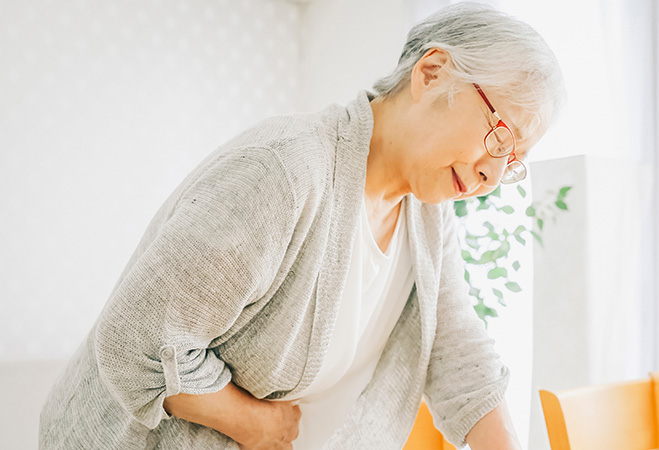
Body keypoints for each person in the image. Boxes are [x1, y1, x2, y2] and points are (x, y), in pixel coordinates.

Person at [39, 2, 566, 449]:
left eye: (513, 160)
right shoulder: (287, 170)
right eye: (500, 136)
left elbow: (457, 352)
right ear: (431, 74)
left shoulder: (428, 214)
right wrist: (256, 424)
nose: (492, 174)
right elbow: (136, 338)